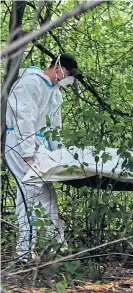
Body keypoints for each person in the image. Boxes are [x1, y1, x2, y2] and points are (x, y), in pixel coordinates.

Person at [5, 54, 81, 261]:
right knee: (30, 193)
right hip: (21, 143)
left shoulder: (52, 90)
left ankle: (56, 246)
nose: (69, 78)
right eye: (68, 73)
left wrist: (58, 152)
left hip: (37, 143)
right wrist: (28, 153)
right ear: (57, 67)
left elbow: (53, 126)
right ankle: (24, 252)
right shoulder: (30, 83)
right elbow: (24, 119)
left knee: (46, 193)